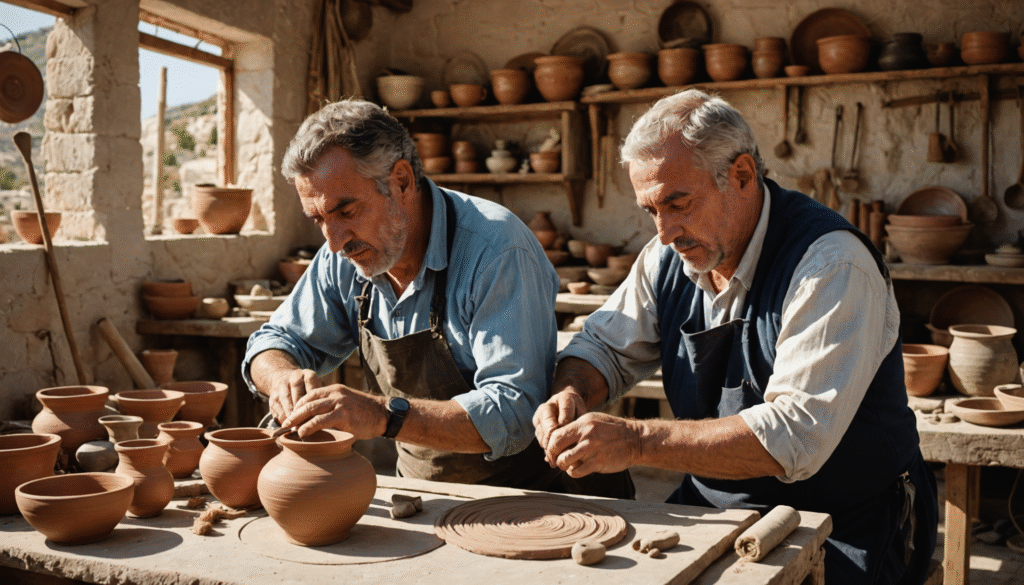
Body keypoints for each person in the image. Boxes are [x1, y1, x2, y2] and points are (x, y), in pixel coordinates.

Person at [534, 89, 937, 584]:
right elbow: (601, 347)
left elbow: (793, 437)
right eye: (650, 210)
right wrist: (571, 391)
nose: (664, 232)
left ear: (742, 175)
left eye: (678, 203)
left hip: (843, 523)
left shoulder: (831, 264)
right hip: (716, 506)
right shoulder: (669, 258)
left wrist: (636, 440)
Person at [243, 99, 633, 497]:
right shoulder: (345, 254)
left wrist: (383, 416)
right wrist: (282, 379)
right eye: (318, 219)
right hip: (426, 493)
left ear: (401, 181)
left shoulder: (496, 249)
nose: (333, 241)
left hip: (538, 495)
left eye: (346, 211)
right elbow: (273, 342)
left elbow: (514, 412)